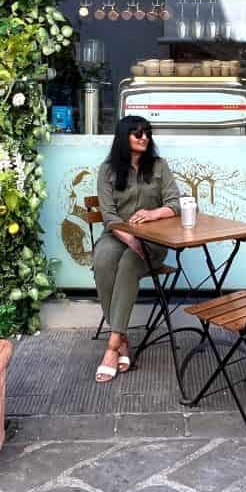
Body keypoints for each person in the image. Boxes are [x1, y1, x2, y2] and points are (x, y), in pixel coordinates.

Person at [93, 115, 180, 382]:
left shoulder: (159, 166)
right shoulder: (107, 170)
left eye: (147, 133)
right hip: (117, 235)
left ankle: (112, 346)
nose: (144, 138)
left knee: (130, 263)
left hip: (153, 242)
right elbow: (108, 215)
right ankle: (122, 339)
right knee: (103, 260)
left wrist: (152, 215)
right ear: (124, 137)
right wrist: (129, 238)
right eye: (137, 133)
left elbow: (175, 204)